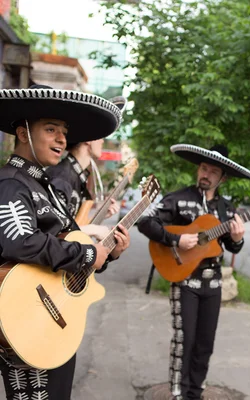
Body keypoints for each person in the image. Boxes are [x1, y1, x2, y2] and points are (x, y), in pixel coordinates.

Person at [0, 85, 131, 399]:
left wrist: (106, 253)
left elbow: (72, 240)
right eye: (50, 130)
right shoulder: (10, 184)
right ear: (22, 132)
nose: (61, 139)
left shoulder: (43, 185)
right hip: (27, 320)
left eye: (64, 132)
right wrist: (88, 253)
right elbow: (20, 244)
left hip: (55, 317)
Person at [137, 144, 250, 400]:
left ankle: (195, 392)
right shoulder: (178, 198)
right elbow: (145, 221)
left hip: (212, 283)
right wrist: (175, 240)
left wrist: (237, 238)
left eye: (213, 171)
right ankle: (178, 393)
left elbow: (231, 245)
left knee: (205, 343)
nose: (206, 174)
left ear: (222, 178)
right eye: (203, 168)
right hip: (184, 280)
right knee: (184, 340)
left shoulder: (227, 208)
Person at [46, 95, 127, 240]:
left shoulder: (77, 175)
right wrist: (93, 229)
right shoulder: (61, 178)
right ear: (89, 140)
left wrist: (100, 216)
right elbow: (53, 235)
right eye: (100, 136)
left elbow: (72, 228)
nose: (102, 141)